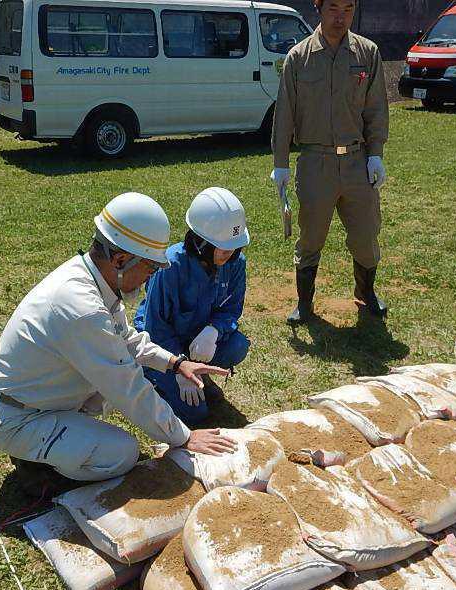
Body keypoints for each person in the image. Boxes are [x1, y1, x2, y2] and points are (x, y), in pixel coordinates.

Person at [0, 192, 237, 484]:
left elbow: (126, 340)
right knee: (120, 454)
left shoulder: (93, 283)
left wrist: (176, 364)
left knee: (112, 430)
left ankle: (51, 449)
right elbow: (127, 386)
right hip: (21, 419)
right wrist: (184, 437)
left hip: (41, 405)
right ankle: (39, 472)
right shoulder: (81, 307)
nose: (151, 276)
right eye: (150, 267)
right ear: (121, 259)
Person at [270, 0, 389, 325]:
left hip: (356, 162)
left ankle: (366, 293)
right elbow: (285, 114)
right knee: (310, 238)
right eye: (334, 8)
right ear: (318, 9)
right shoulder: (299, 57)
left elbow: (376, 108)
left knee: (366, 236)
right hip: (315, 162)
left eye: (348, 9)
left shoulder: (367, 53)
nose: (341, 17)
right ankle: (304, 303)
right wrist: (280, 162)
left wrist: (375, 154)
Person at [135, 187, 250, 425]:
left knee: (237, 346)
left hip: (197, 338)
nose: (230, 253)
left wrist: (215, 329)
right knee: (196, 414)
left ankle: (199, 374)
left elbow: (231, 309)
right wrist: (177, 364)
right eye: (222, 246)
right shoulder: (170, 266)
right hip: (163, 345)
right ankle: (151, 375)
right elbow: (154, 328)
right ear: (200, 242)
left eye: (234, 246)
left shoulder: (236, 263)